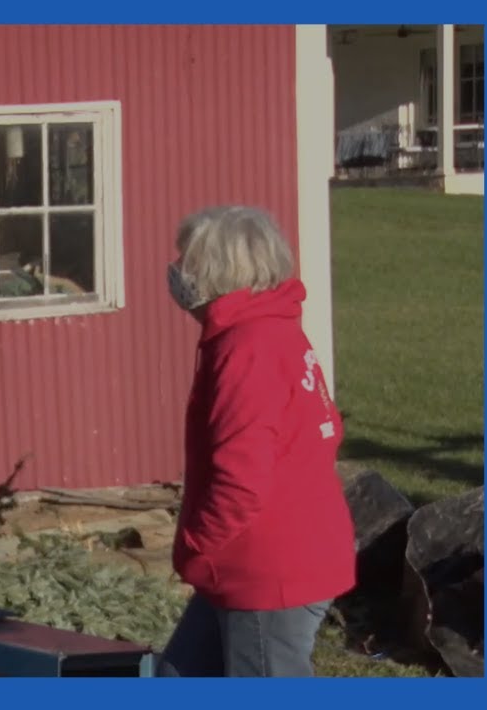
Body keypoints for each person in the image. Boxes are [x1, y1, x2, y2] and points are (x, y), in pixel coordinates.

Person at [156, 205, 357, 677]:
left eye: (187, 260)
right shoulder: (271, 329)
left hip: (266, 569)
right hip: (258, 558)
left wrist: (197, 544)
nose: (178, 272)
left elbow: (241, 480)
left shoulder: (247, 347)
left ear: (217, 271)